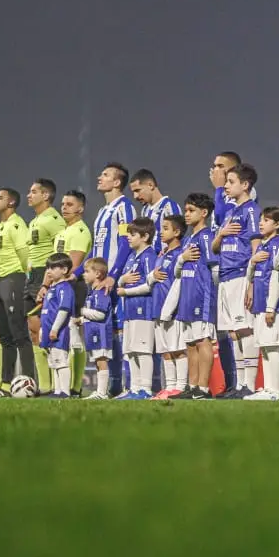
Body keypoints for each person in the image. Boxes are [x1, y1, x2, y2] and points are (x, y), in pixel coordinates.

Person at [213, 163, 261, 398]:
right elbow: (215, 247)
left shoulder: (251, 210)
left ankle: (249, 384)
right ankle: (240, 384)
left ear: (245, 185)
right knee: (233, 332)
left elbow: (256, 245)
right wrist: (221, 234)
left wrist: (252, 281)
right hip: (225, 275)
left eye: (231, 182)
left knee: (245, 329)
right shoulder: (230, 212)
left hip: (241, 274)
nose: (226, 187)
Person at [91, 163, 136, 394]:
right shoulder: (102, 211)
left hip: (114, 281)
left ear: (117, 182)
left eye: (105, 174)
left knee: (120, 332)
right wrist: (75, 274)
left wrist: (113, 275)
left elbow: (126, 242)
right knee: (105, 333)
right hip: (99, 283)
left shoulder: (124, 208)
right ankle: (112, 387)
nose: (100, 177)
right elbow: (96, 249)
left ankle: (126, 385)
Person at [208, 151, 248, 395]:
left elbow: (224, 218)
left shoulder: (242, 197)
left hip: (236, 269)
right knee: (223, 329)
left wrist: (218, 189)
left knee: (238, 328)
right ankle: (231, 383)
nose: (214, 170)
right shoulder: (224, 196)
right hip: (220, 267)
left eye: (220, 166)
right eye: (214, 165)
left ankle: (242, 382)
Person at [173, 193, 217, 399]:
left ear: (204, 212)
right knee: (190, 344)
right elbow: (177, 272)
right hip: (187, 296)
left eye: (191, 210)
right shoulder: (188, 239)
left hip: (201, 295)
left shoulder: (206, 236)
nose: (187, 214)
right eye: (186, 210)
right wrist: (182, 258)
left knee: (202, 340)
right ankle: (192, 387)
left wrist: (213, 293)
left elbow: (214, 266)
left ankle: (203, 388)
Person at [25, 179, 65, 393]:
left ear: (46, 195)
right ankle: (44, 384)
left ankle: (60, 383)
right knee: (33, 329)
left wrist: (48, 280)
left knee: (47, 329)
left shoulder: (54, 220)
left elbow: (59, 254)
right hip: (32, 277)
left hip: (44, 275)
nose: (29, 195)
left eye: (34, 192)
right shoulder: (35, 220)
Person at [0, 187, 32, 393]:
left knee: (19, 334)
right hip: (0, 281)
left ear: (11, 202)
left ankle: (30, 382)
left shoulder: (17, 224)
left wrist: (25, 278)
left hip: (14, 279)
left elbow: (25, 255)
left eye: (0, 198)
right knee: (5, 336)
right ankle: (6, 384)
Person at [56, 190, 94, 396]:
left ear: (80, 208)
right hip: (60, 286)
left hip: (74, 286)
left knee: (74, 336)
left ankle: (75, 386)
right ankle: (62, 386)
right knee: (62, 335)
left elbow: (73, 265)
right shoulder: (63, 231)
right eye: (63, 204)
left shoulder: (80, 231)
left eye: (70, 204)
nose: (64, 208)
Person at [115, 217, 158, 399]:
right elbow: (122, 280)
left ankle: (145, 389)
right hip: (129, 310)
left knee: (143, 350)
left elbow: (150, 285)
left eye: (132, 234)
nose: (128, 238)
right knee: (131, 350)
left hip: (143, 309)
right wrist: (122, 280)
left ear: (145, 236)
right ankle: (134, 388)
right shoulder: (132, 256)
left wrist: (126, 291)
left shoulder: (149, 256)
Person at [246, 207, 279, 400]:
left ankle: (276, 389)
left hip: (272, 305)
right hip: (259, 303)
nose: (261, 223)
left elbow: (276, 277)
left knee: (273, 346)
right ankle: (268, 388)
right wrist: (252, 262)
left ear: (278, 224)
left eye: (266, 220)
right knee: (264, 346)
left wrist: (271, 307)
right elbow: (251, 276)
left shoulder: (277, 245)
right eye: (260, 220)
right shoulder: (263, 245)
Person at [150, 214, 187, 399]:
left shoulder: (181, 254)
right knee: (165, 350)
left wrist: (171, 308)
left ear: (177, 232)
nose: (161, 232)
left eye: (165, 228)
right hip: (157, 307)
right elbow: (153, 277)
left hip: (173, 309)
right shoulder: (161, 253)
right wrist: (152, 276)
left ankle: (181, 386)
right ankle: (170, 386)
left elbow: (179, 282)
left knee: (177, 349)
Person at [38, 253, 76, 398]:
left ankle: (65, 391)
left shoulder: (64, 288)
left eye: (53, 268)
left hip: (60, 332)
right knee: (54, 362)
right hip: (48, 331)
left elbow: (64, 309)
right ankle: (57, 391)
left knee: (61, 361)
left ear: (64, 270)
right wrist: (43, 330)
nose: (48, 271)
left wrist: (55, 329)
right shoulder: (51, 288)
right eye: (47, 268)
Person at [79, 258, 116, 400]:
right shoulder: (92, 292)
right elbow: (91, 314)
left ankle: (102, 393)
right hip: (92, 332)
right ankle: (99, 391)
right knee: (96, 362)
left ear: (98, 274)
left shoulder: (101, 292)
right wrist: (81, 319)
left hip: (101, 332)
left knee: (101, 360)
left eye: (87, 271)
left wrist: (81, 311)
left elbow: (100, 314)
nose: (84, 274)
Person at [130, 169, 181, 251]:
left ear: (150, 185)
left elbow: (178, 238)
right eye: (133, 192)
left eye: (137, 190)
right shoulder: (145, 210)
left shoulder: (169, 206)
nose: (135, 196)